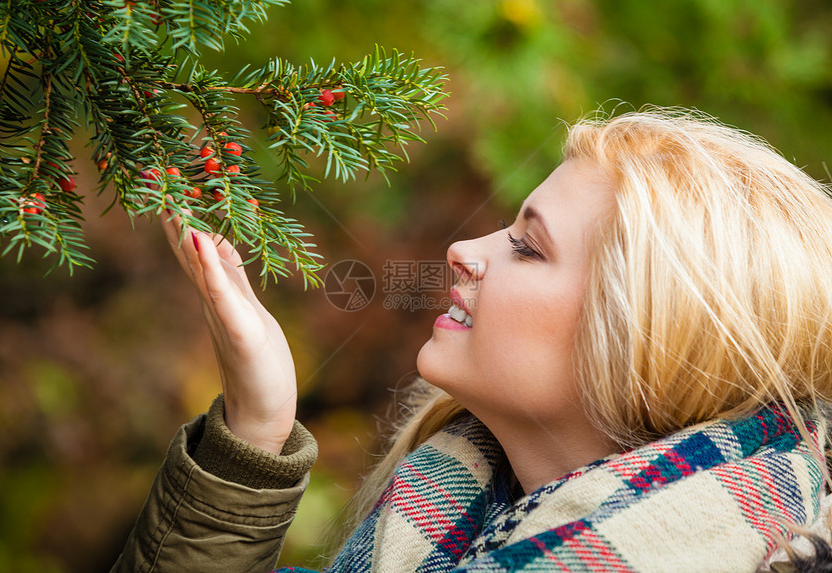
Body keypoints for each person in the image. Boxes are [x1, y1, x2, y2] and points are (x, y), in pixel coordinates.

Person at [111, 108, 832, 572]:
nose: (464, 247)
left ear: (641, 339)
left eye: (527, 246)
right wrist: (254, 431)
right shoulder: (444, 526)